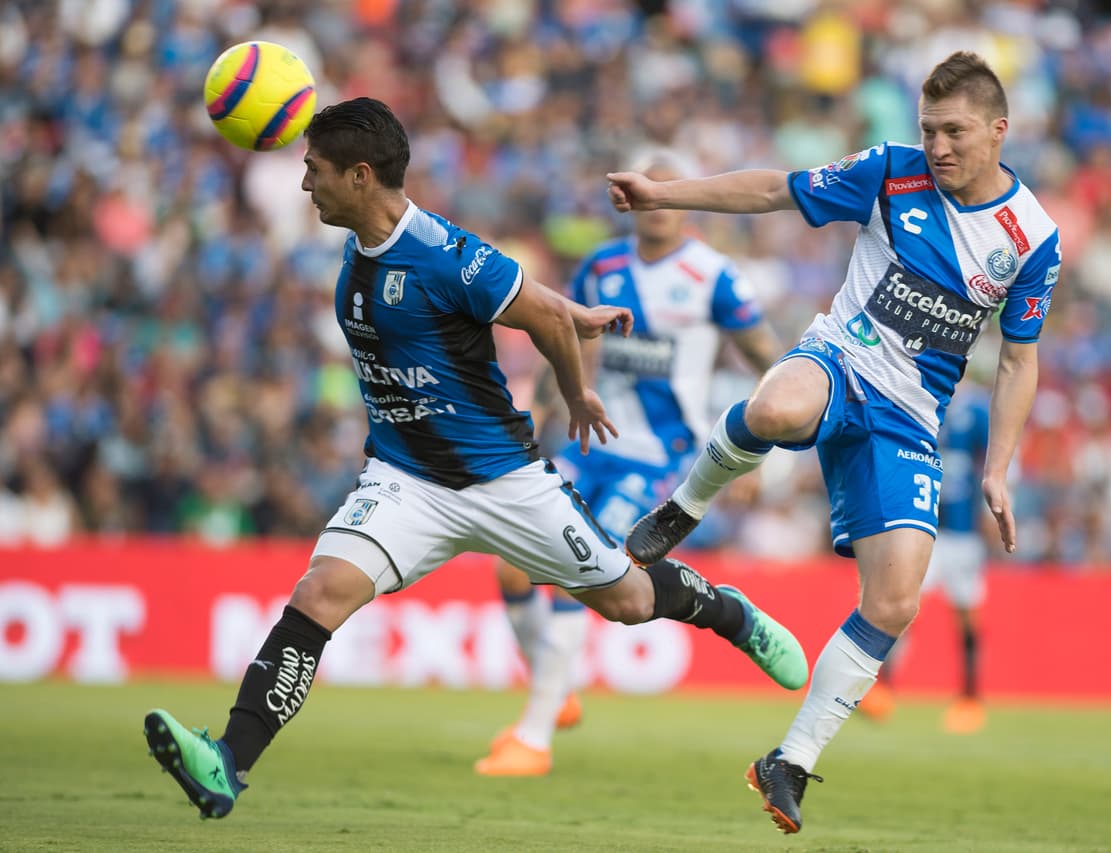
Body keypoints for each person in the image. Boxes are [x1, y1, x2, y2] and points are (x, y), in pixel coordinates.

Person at [142, 98, 808, 820]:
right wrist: (574, 311)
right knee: (318, 595)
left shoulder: (439, 250)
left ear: (360, 176)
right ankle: (227, 763)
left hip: (503, 480)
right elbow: (533, 299)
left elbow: (536, 311)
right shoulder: (362, 249)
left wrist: (576, 391)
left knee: (628, 601)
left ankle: (729, 614)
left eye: (316, 170)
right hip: (404, 479)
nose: (306, 183)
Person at [607, 51, 1061, 834]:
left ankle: (789, 761)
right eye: (928, 129)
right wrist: (665, 192)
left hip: (909, 418)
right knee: (776, 405)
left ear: (999, 130)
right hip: (841, 360)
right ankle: (683, 507)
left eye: (954, 131)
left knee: (896, 600)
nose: (937, 146)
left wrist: (998, 468)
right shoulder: (891, 171)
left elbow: (1020, 359)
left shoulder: (1032, 237)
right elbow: (773, 190)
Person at [475, 148, 781, 776]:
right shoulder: (602, 267)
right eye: (650, 187)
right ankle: (556, 691)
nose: (658, 201)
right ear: (631, 197)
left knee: (578, 568)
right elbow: (562, 335)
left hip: (659, 458)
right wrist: (540, 401)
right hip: (590, 444)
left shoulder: (713, 276)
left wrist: (763, 450)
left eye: (671, 188)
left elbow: (769, 362)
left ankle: (534, 736)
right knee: (511, 568)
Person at [857, 382, 994, 734]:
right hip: (922, 523)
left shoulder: (975, 410)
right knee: (902, 605)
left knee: (965, 612)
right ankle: (884, 688)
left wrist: (989, 508)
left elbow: (995, 455)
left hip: (962, 529)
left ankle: (970, 696)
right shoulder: (920, 395)